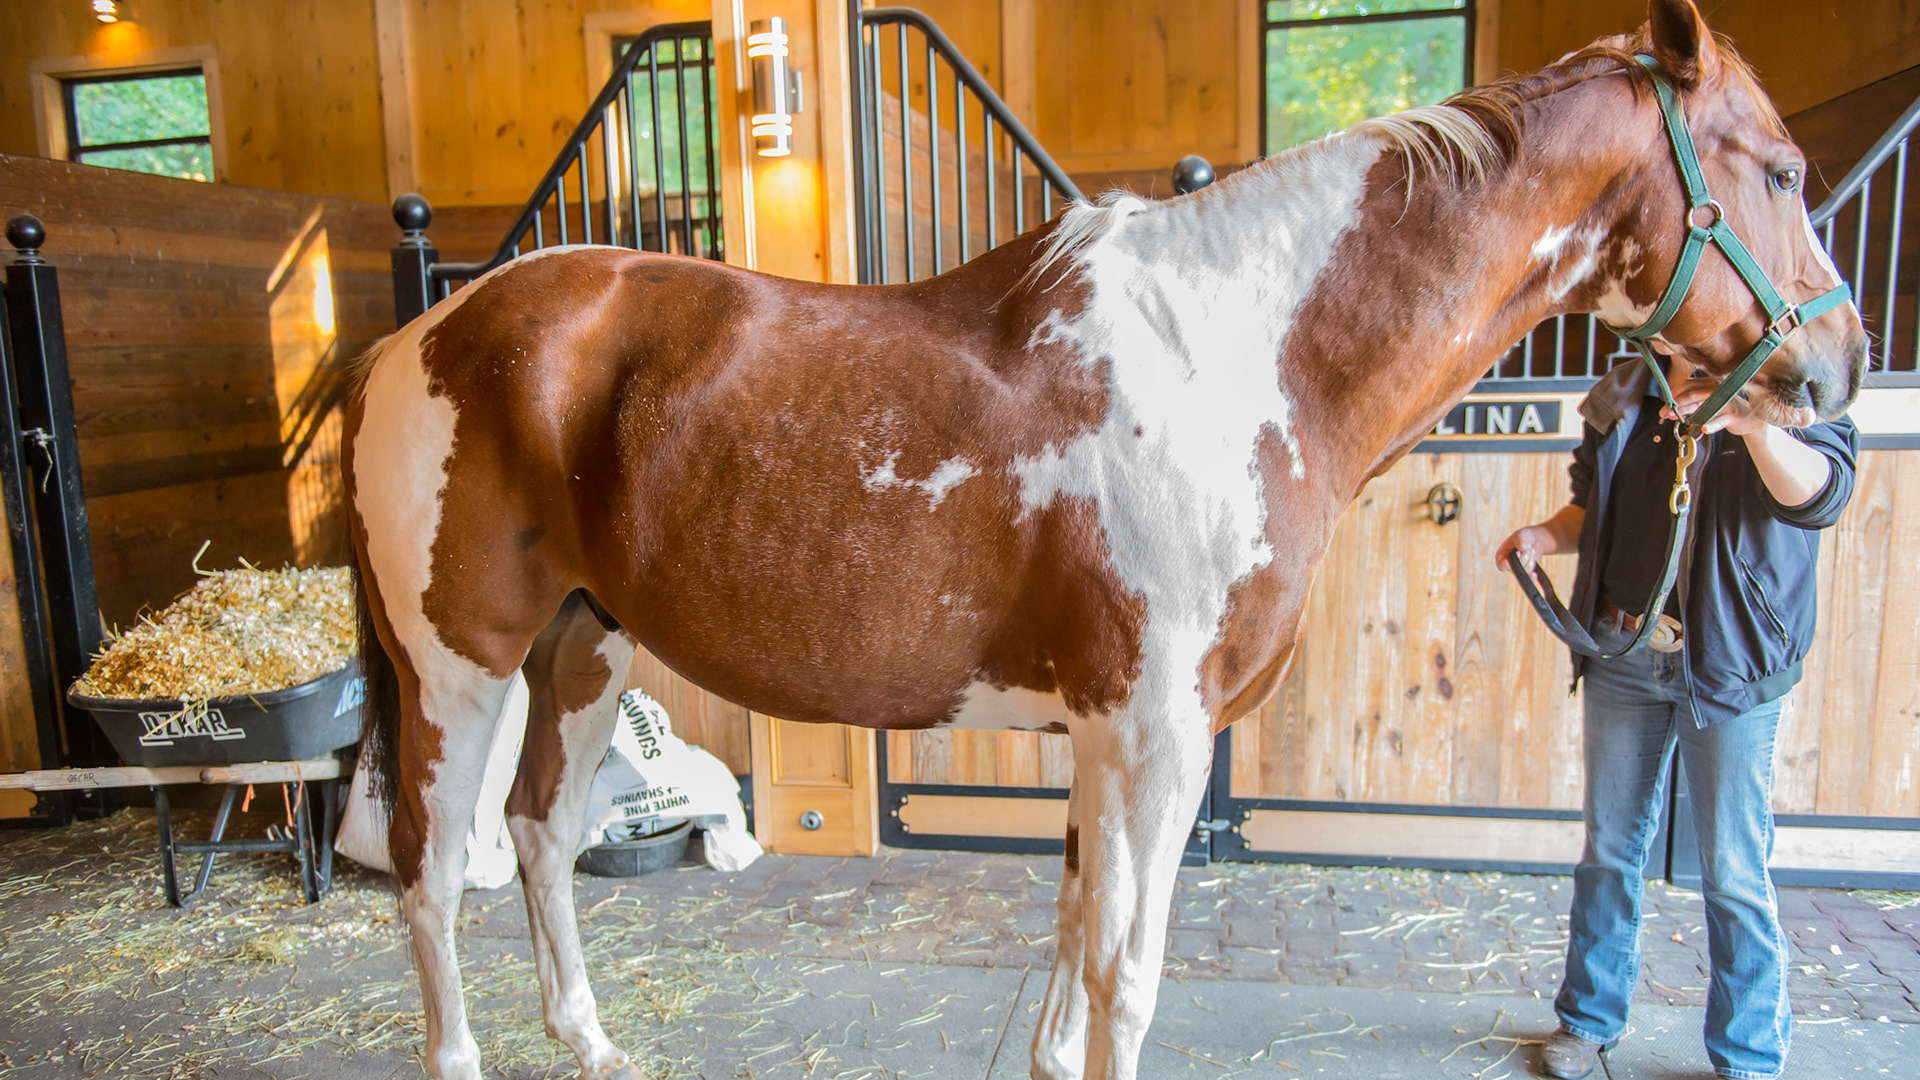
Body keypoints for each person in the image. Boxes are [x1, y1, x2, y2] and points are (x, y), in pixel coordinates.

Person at [1496, 352, 1856, 1080]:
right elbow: (1590, 505)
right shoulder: (1627, 386)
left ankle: (1747, 1056)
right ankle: (1588, 1021)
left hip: (1727, 663)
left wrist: (1755, 426)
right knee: (1609, 848)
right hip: (1623, 649)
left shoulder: (1794, 374)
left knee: (1731, 866)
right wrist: (1544, 535)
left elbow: (1822, 496)